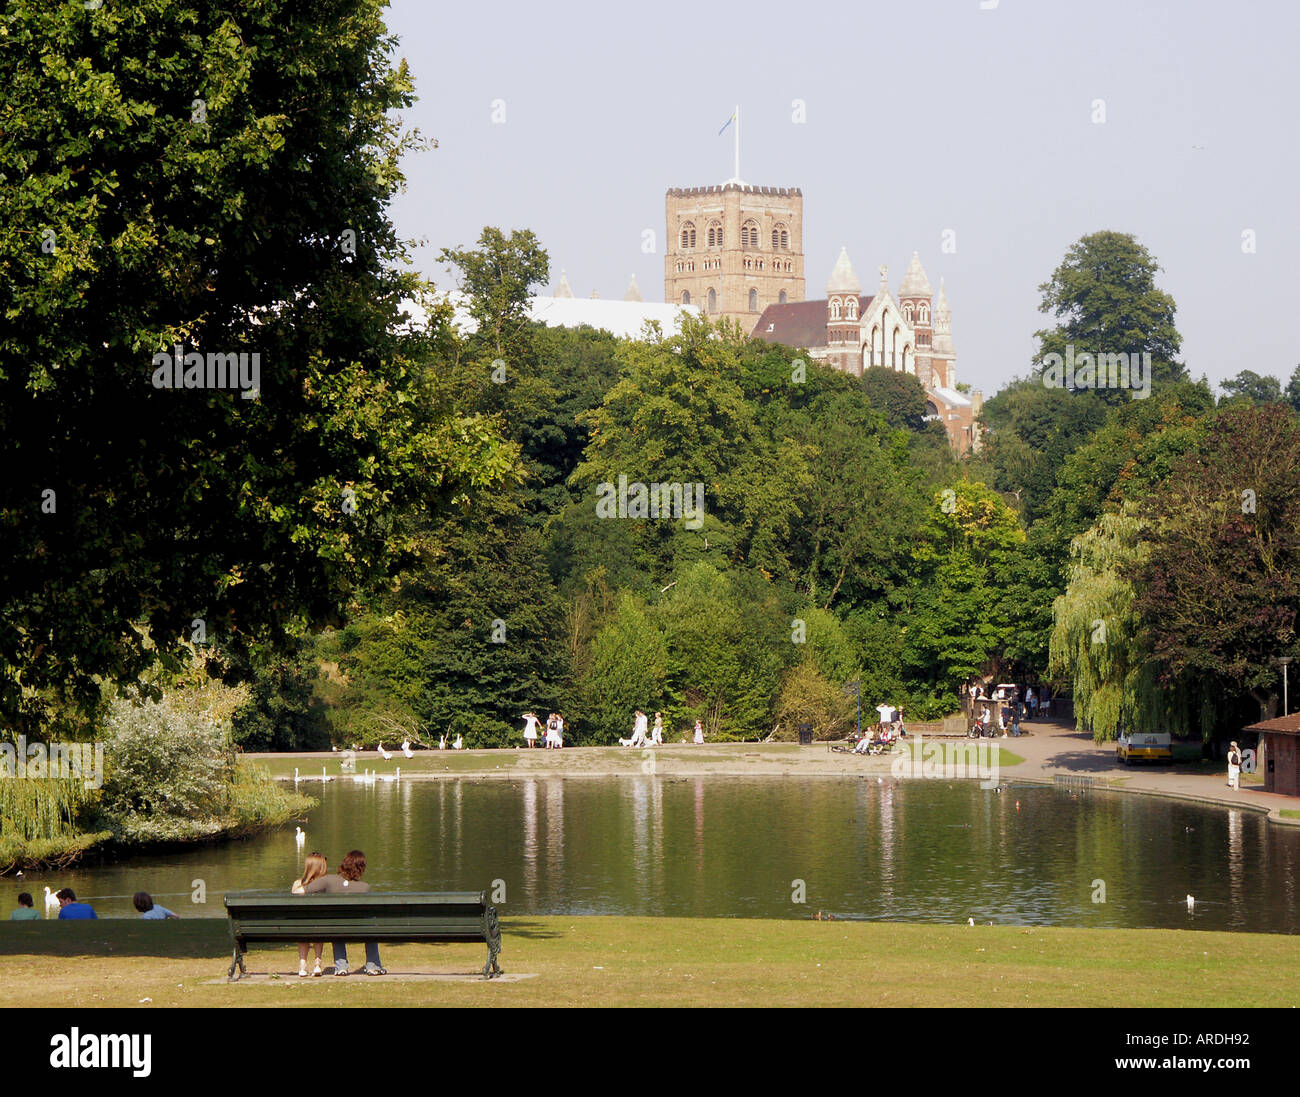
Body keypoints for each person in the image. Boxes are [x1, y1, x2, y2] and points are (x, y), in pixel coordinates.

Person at [303, 850, 384, 976]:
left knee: (337, 923)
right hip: (361, 929)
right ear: (361, 868)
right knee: (371, 925)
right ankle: (373, 966)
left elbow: (306, 890)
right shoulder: (364, 887)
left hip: (337, 927)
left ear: (344, 864)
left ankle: (341, 967)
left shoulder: (328, 880)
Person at [292, 852, 328, 977]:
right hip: (320, 925)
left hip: (300, 926)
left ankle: (303, 964)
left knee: (303, 924)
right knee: (318, 924)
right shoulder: (326, 885)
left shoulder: (298, 884)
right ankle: (317, 962)